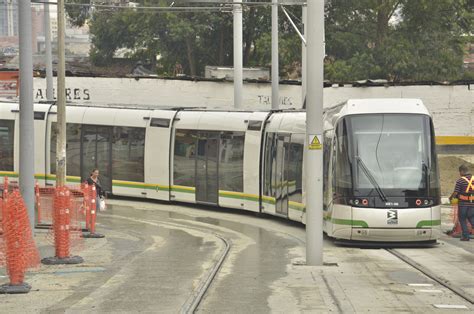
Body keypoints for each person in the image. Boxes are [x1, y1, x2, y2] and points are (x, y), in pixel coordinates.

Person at [449, 164, 474, 241]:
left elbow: (456, 192)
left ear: (462, 171)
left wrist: (451, 198)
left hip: (463, 204)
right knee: (472, 218)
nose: (460, 174)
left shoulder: (460, 180)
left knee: (462, 219)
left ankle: (465, 236)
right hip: (472, 203)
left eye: (460, 172)